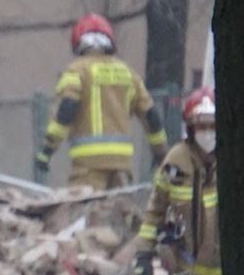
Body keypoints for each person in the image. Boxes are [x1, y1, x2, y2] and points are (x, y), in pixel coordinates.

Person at [34, 13, 167, 188]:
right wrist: (161, 155)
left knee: (84, 213)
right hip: (122, 163)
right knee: (119, 212)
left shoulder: (77, 70)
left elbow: (67, 109)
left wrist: (47, 150)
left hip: (88, 165)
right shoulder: (128, 73)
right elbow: (151, 117)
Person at [133, 87, 223, 275]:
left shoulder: (238, 157)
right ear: (190, 128)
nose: (208, 133)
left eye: (213, 125)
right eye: (201, 126)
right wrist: (143, 254)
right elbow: (155, 212)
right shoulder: (176, 161)